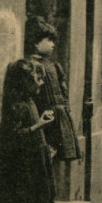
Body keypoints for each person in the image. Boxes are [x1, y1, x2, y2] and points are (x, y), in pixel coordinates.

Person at [0, 60, 65, 203]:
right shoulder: (16, 106)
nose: (42, 83)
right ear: (23, 81)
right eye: (38, 79)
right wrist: (39, 125)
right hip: (21, 166)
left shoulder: (30, 101)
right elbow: (13, 137)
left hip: (34, 162)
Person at [25, 17, 81, 166]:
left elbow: (63, 90)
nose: (53, 44)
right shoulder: (31, 65)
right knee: (44, 155)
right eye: (48, 40)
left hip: (59, 114)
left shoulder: (54, 65)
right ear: (35, 42)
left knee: (54, 156)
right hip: (45, 114)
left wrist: (65, 107)